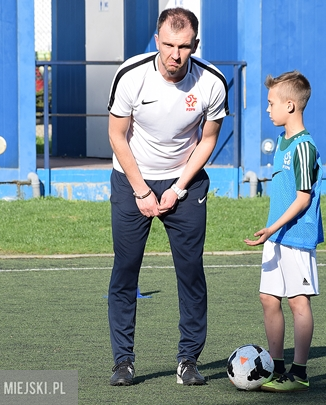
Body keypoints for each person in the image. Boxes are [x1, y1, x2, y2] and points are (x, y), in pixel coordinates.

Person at [106, 7, 228, 386]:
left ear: (196, 45)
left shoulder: (212, 82)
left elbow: (208, 140)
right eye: (169, 45)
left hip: (185, 181)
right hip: (132, 180)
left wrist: (177, 188)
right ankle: (123, 362)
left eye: (184, 47)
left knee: (190, 272)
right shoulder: (130, 75)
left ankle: (188, 360)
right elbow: (116, 136)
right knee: (126, 270)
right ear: (157, 40)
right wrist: (142, 190)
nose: (175, 55)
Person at [244, 70, 323, 392]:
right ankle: (276, 369)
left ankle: (299, 372)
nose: (267, 109)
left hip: (296, 237)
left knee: (298, 302)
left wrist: (271, 227)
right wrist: (272, 231)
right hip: (276, 236)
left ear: (290, 105)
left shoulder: (304, 147)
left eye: (271, 103)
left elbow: (303, 199)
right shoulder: (282, 141)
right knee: (268, 298)